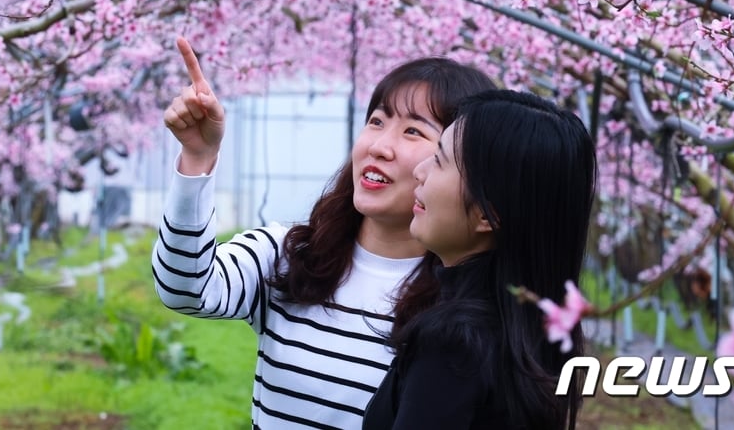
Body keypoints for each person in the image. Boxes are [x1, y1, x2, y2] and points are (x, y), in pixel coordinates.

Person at [153, 36, 497, 429]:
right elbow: (185, 288)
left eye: (414, 132)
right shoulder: (290, 254)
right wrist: (198, 159)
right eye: (377, 121)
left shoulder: (463, 307)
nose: (380, 146)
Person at [362, 90, 598, 430]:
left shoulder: (454, 343)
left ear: (489, 214)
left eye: (440, 160)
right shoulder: (535, 335)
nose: (420, 171)